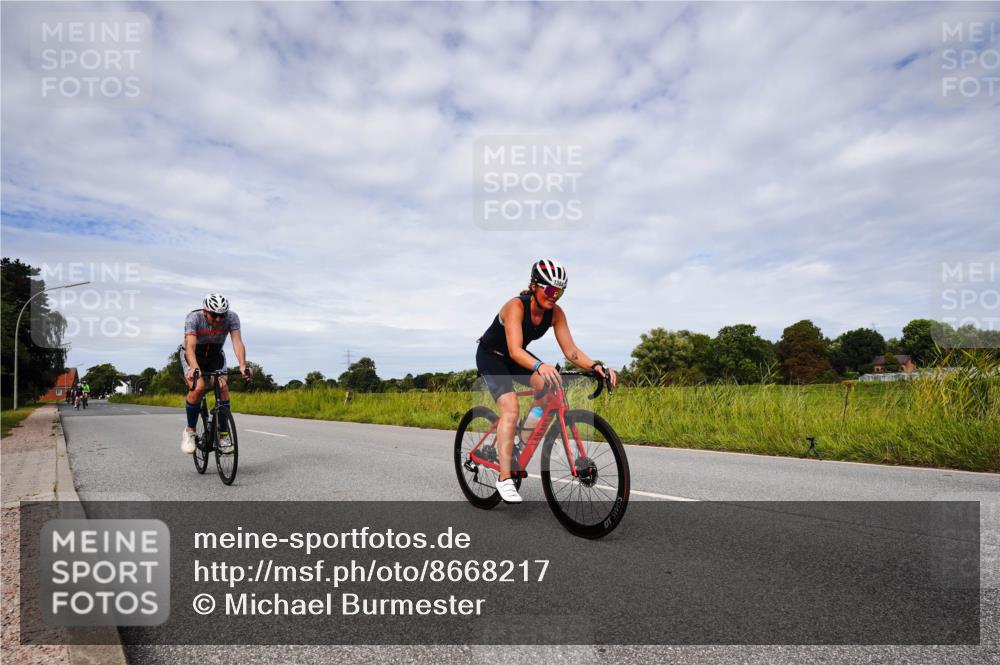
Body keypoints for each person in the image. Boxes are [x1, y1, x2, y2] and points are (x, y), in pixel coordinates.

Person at [476, 259, 617, 504]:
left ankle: (519, 441)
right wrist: (540, 365)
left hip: (516, 358)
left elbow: (571, 351)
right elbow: (515, 350)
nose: (555, 296)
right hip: (493, 357)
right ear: (534, 286)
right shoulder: (515, 306)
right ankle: (504, 478)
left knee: (549, 387)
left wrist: (596, 366)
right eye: (550, 289)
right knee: (511, 408)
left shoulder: (556, 313)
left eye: (560, 291)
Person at [180, 294, 251, 455]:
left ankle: (224, 435)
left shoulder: (232, 317)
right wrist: (194, 368)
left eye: (222, 315)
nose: (219, 319)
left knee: (223, 387)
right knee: (198, 387)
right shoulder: (193, 318)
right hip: (193, 355)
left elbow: (237, 342)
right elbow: (190, 347)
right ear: (205, 311)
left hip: (215, 355)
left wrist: (242, 365)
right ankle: (190, 431)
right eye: (214, 315)